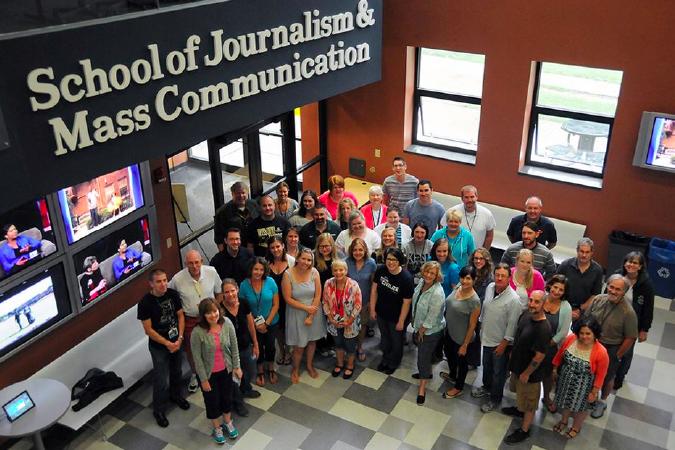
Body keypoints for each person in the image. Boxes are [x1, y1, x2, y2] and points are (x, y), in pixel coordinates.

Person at [137, 269, 190, 428]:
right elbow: (148, 330)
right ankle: (158, 410)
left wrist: (179, 338)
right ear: (151, 284)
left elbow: (180, 315)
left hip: (176, 341)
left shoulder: (173, 295)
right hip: (159, 347)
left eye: (165, 280)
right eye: (159, 281)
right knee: (161, 379)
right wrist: (167, 343)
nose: (163, 284)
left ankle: (176, 396)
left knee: (177, 372)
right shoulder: (145, 303)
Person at [583, 274, 638, 419]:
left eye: (618, 289)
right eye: (611, 287)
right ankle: (589, 396)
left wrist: (618, 355)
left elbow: (631, 337)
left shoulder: (629, 312)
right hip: (592, 343)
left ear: (624, 291)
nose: (613, 291)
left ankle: (602, 401)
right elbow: (586, 318)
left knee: (607, 377)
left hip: (611, 348)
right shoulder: (598, 299)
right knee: (590, 372)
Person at [169, 250, 223, 393]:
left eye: (197, 262)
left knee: (214, 343)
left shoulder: (211, 272)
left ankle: (216, 369)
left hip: (210, 317)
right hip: (190, 319)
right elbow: (170, 297)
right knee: (192, 350)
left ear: (202, 262)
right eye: (190, 263)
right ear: (186, 264)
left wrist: (213, 310)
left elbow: (219, 293)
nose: (194, 266)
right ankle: (196, 374)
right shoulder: (177, 279)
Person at [502, 290, 551, 445]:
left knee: (529, 403)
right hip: (518, 366)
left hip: (530, 374)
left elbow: (539, 356)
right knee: (519, 393)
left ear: (544, 304)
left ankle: (524, 430)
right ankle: (519, 408)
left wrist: (527, 373)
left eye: (537, 302)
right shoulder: (526, 315)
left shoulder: (543, 328)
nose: (532, 304)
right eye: (531, 300)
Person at [190, 298, 242, 443]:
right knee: (212, 401)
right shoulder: (197, 332)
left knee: (226, 397)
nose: (213, 315)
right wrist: (203, 379)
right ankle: (217, 427)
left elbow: (234, 346)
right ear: (203, 315)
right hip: (208, 374)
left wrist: (237, 366)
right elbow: (197, 358)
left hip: (226, 370)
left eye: (215, 311)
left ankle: (227, 422)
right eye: (208, 313)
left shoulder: (227, 323)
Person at [472, 263, 522, 413]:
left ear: (509, 278)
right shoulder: (490, 288)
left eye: (503, 276)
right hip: (486, 337)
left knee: (498, 373)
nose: (499, 278)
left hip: (500, 343)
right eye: (497, 275)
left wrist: (504, 343)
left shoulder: (514, 300)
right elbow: (485, 308)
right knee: (486, 367)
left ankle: (495, 399)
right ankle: (486, 387)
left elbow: (512, 325)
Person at [552, 317, 609, 440]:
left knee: (581, 408)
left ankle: (576, 427)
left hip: (585, 385)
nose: (584, 336)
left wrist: (594, 392)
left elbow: (601, 375)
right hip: (566, 379)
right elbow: (560, 354)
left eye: (588, 333)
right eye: (582, 333)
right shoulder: (571, 339)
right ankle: (564, 421)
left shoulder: (601, 352)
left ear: (595, 334)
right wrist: (555, 369)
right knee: (565, 402)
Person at [282, 248, 327, 384]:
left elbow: (318, 295)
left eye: (309, 260)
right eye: (304, 258)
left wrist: (311, 315)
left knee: (312, 341)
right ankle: (295, 369)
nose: (306, 262)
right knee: (299, 345)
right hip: (296, 313)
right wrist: (306, 308)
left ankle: (309, 365)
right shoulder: (288, 274)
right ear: (297, 258)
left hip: (314, 312)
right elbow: (288, 298)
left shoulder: (314, 272)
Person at [612, 251, 654, 390]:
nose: (631, 265)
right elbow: (608, 295)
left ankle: (619, 377)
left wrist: (644, 330)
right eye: (629, 261)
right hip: (614, 320)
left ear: (641, 266)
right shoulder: (617, 276)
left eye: (635, 262)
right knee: (610, 348)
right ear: (624, 263)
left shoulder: (646, 284)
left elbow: (648, 309)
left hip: (632, 324)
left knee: (626, 352)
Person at [370, 247, 415, 375]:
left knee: (396, 341)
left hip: (397, 316)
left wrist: (401, 321)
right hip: (382, 313)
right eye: (389, 259)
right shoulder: (381, 270)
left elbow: (407, 302)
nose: (391, 262)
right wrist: (373, 309)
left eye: (394, 260)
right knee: (385, 339)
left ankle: (394, 362)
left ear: (400, 261)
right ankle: (385, 358)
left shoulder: (406, 278)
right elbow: (374, 290)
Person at [220, 278, 261, 418]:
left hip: (245, 346)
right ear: (222, 294)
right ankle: (238, 402)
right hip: (230, 351)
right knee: (233, 378)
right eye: (227, 292)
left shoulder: (243, 303)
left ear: (237, 289)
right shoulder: (220, 310)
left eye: (232, 290)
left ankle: (246, 388)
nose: (230, 294)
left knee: (249, 370)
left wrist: (255, 343)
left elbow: (250, 324)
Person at [239, 257, 280, 386]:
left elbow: (276, 305)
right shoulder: (244, 285)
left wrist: (266, 323)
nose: (258, 272)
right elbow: (243, 308)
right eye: (256, 269)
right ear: (251, 269)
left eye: (261, 269)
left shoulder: (270, 282)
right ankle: (260, 370)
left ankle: (271, 368)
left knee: (270, 347)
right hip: (253, 324)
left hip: (271, 322)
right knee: (258, 348)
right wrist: (256, 325)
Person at [442, 266, 481, 400]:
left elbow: (472, 325)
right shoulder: (458, 286)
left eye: (468, 278)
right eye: (463, 277)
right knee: (449, 354)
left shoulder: (475, 301)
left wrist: (465, 345)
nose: (464, 281)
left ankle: (458, 387)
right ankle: (453, 375)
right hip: (450, 332)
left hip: (462, 338)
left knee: (462, 363)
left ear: (474, 280)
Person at [410, 261, 446, 405]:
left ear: (437, 276)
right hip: (419, 326)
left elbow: (431, 317)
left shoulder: (437, 293)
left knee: (422, 358)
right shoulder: (421, 284)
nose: (429, 275)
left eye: (432, 273)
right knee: (426, 355)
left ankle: (422, 388)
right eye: (427, 271)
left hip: (429, 331)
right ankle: (427, 373)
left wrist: (421, 331)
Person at [323, 259, 362, 380]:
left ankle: (350, 365)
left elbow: (358, 304)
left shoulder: (353, 285)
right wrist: (330, 318)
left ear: (346, 270)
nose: (338, 272)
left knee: (350, 345)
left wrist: (350, 320)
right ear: (332, 271)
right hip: (334, 321)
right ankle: (339, 363)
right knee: (338, 344)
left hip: (350, 322)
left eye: (341, 270)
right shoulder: (328, 283)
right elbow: (324, 302)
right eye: (335, 270)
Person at [541, 274, 573, 413]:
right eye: (555, 287)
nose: (557, 291)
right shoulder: (541, 297)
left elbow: (563, 332)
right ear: (550, 286)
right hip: (533, 343)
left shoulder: (566, 307)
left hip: (551, 348)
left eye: (561, 290)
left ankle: (546, 397)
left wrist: (548, 343)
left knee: (547, 375)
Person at [556, 238, 604, 321]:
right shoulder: (565, 265)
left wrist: (580, 309)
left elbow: (595, 295)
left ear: (592, 253)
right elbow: (554, 286)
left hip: (583, 311)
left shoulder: (598, 270)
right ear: (577, 251)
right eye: (581, 251)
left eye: (587, 252)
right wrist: (565, 308)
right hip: (561, 307)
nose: (584, 255)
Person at [346, 238, 377, 362]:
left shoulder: (371, 263)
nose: (357, 252)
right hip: (348, 302)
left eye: (360, 250)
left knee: (362, 326)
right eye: (355, 250)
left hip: (364, 301)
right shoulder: (346, 262)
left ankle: (360, 347)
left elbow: (373, 285)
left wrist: (371, 302)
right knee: (349, 325)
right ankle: (349, 348)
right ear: (351, 251)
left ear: (365, 250)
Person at [266, 236, 295, 366]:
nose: (275, 249)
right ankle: (282, 351)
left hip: (288, 300)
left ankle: (289, 351)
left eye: (278, 246)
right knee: (278, 328)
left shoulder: (292, 261)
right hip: (274, 301)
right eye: (272, 247)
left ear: (283, 246)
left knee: (288, 327)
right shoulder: (266, 263)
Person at [466, 248, 494, 368]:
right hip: (466, 309)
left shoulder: (489, 278)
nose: (478, 261)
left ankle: (473, 361)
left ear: (486, 260)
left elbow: (484, 299)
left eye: (481, 259)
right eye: (476, 258)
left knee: (475, 337)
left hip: (479, 312)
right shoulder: (470, 271)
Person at [445, 185, 496, 249]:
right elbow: (443, 230)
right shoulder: (452, 211)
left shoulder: (487, 214)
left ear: (476, 197)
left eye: (472, 197)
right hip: (454, 254)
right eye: (466, 197)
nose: (469, 200)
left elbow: (489, 236)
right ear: (462, 198)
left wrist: (484, 252)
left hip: (477, 256)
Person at [213, 182, 259, 250]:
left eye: (243, 193)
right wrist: (223, 256)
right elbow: (219, 239)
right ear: (232, 194)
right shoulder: (222, 212)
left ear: (247, 193)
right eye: (238, 193)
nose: (241, 196)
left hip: (255, 248)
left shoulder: (254, 205)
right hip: (235, 251)